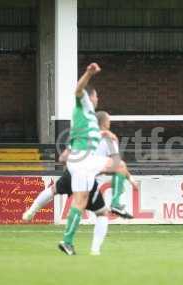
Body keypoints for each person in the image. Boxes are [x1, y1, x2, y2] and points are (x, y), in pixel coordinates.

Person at [59, 63, 133, 255]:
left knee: (80, 202)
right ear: (91, 96)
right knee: (120, 166)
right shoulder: (83, 103)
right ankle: (117, 203)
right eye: (96, 95)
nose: (97, 98)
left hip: (79, 160)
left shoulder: (88, 116)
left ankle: (67, 241)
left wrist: (104, 134)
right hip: (83, 160)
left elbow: (85, 134)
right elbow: (78, 89)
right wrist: (89, 73)